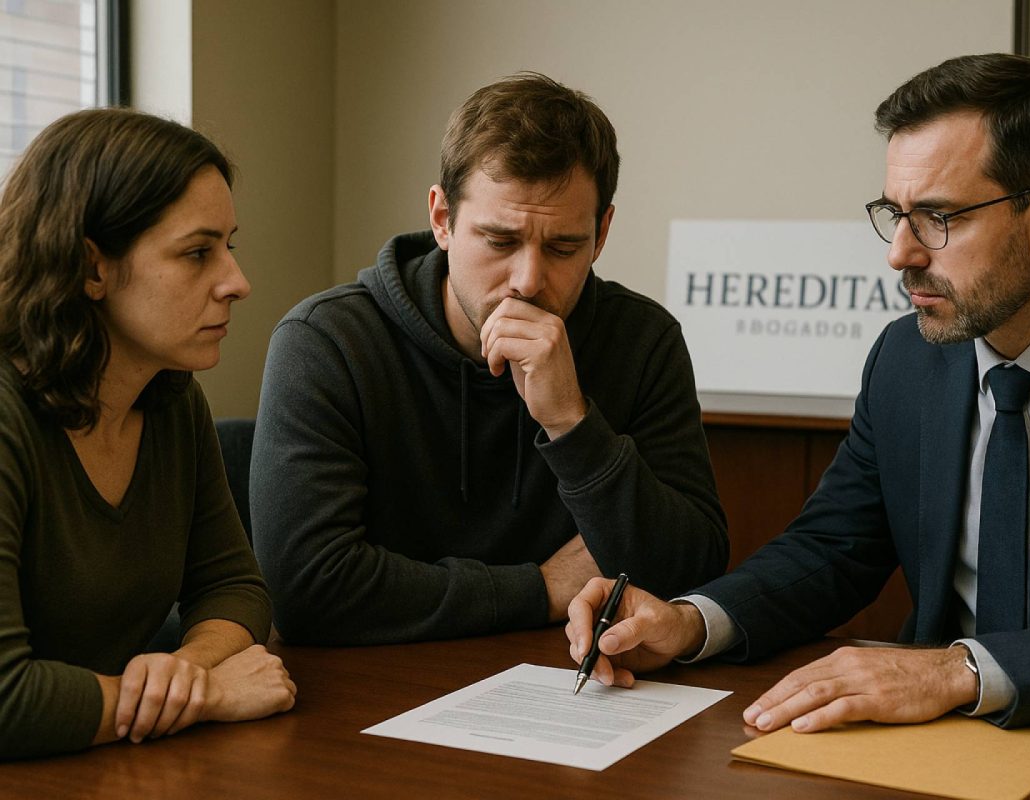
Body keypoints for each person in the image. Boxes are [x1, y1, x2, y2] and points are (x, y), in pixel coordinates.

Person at [566, 53, 1030, 731]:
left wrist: (955, 671)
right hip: (929, 741)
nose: (900, 253)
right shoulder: (907, 356)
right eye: (894, 214)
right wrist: (689, 622)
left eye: (938, 217)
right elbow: (831, 550)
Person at [251, 73, 727, 645]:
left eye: (563, 247)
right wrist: (542, 588)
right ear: (442, 219)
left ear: (601, 234)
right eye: (500, 242)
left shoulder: (643, 340)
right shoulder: (327, 342)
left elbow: (692, 575)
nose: (528, 280)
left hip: (575, 677)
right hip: (375, 682)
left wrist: (571, 423)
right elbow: (305, 592)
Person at [0, 109, 296, 760]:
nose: (237, 282)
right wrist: (207, 697)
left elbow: (233, 587)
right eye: (197, 252)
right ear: (92, 268)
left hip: (96, 762)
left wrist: (184, 671)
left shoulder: (170, 397)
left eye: (229, 246)